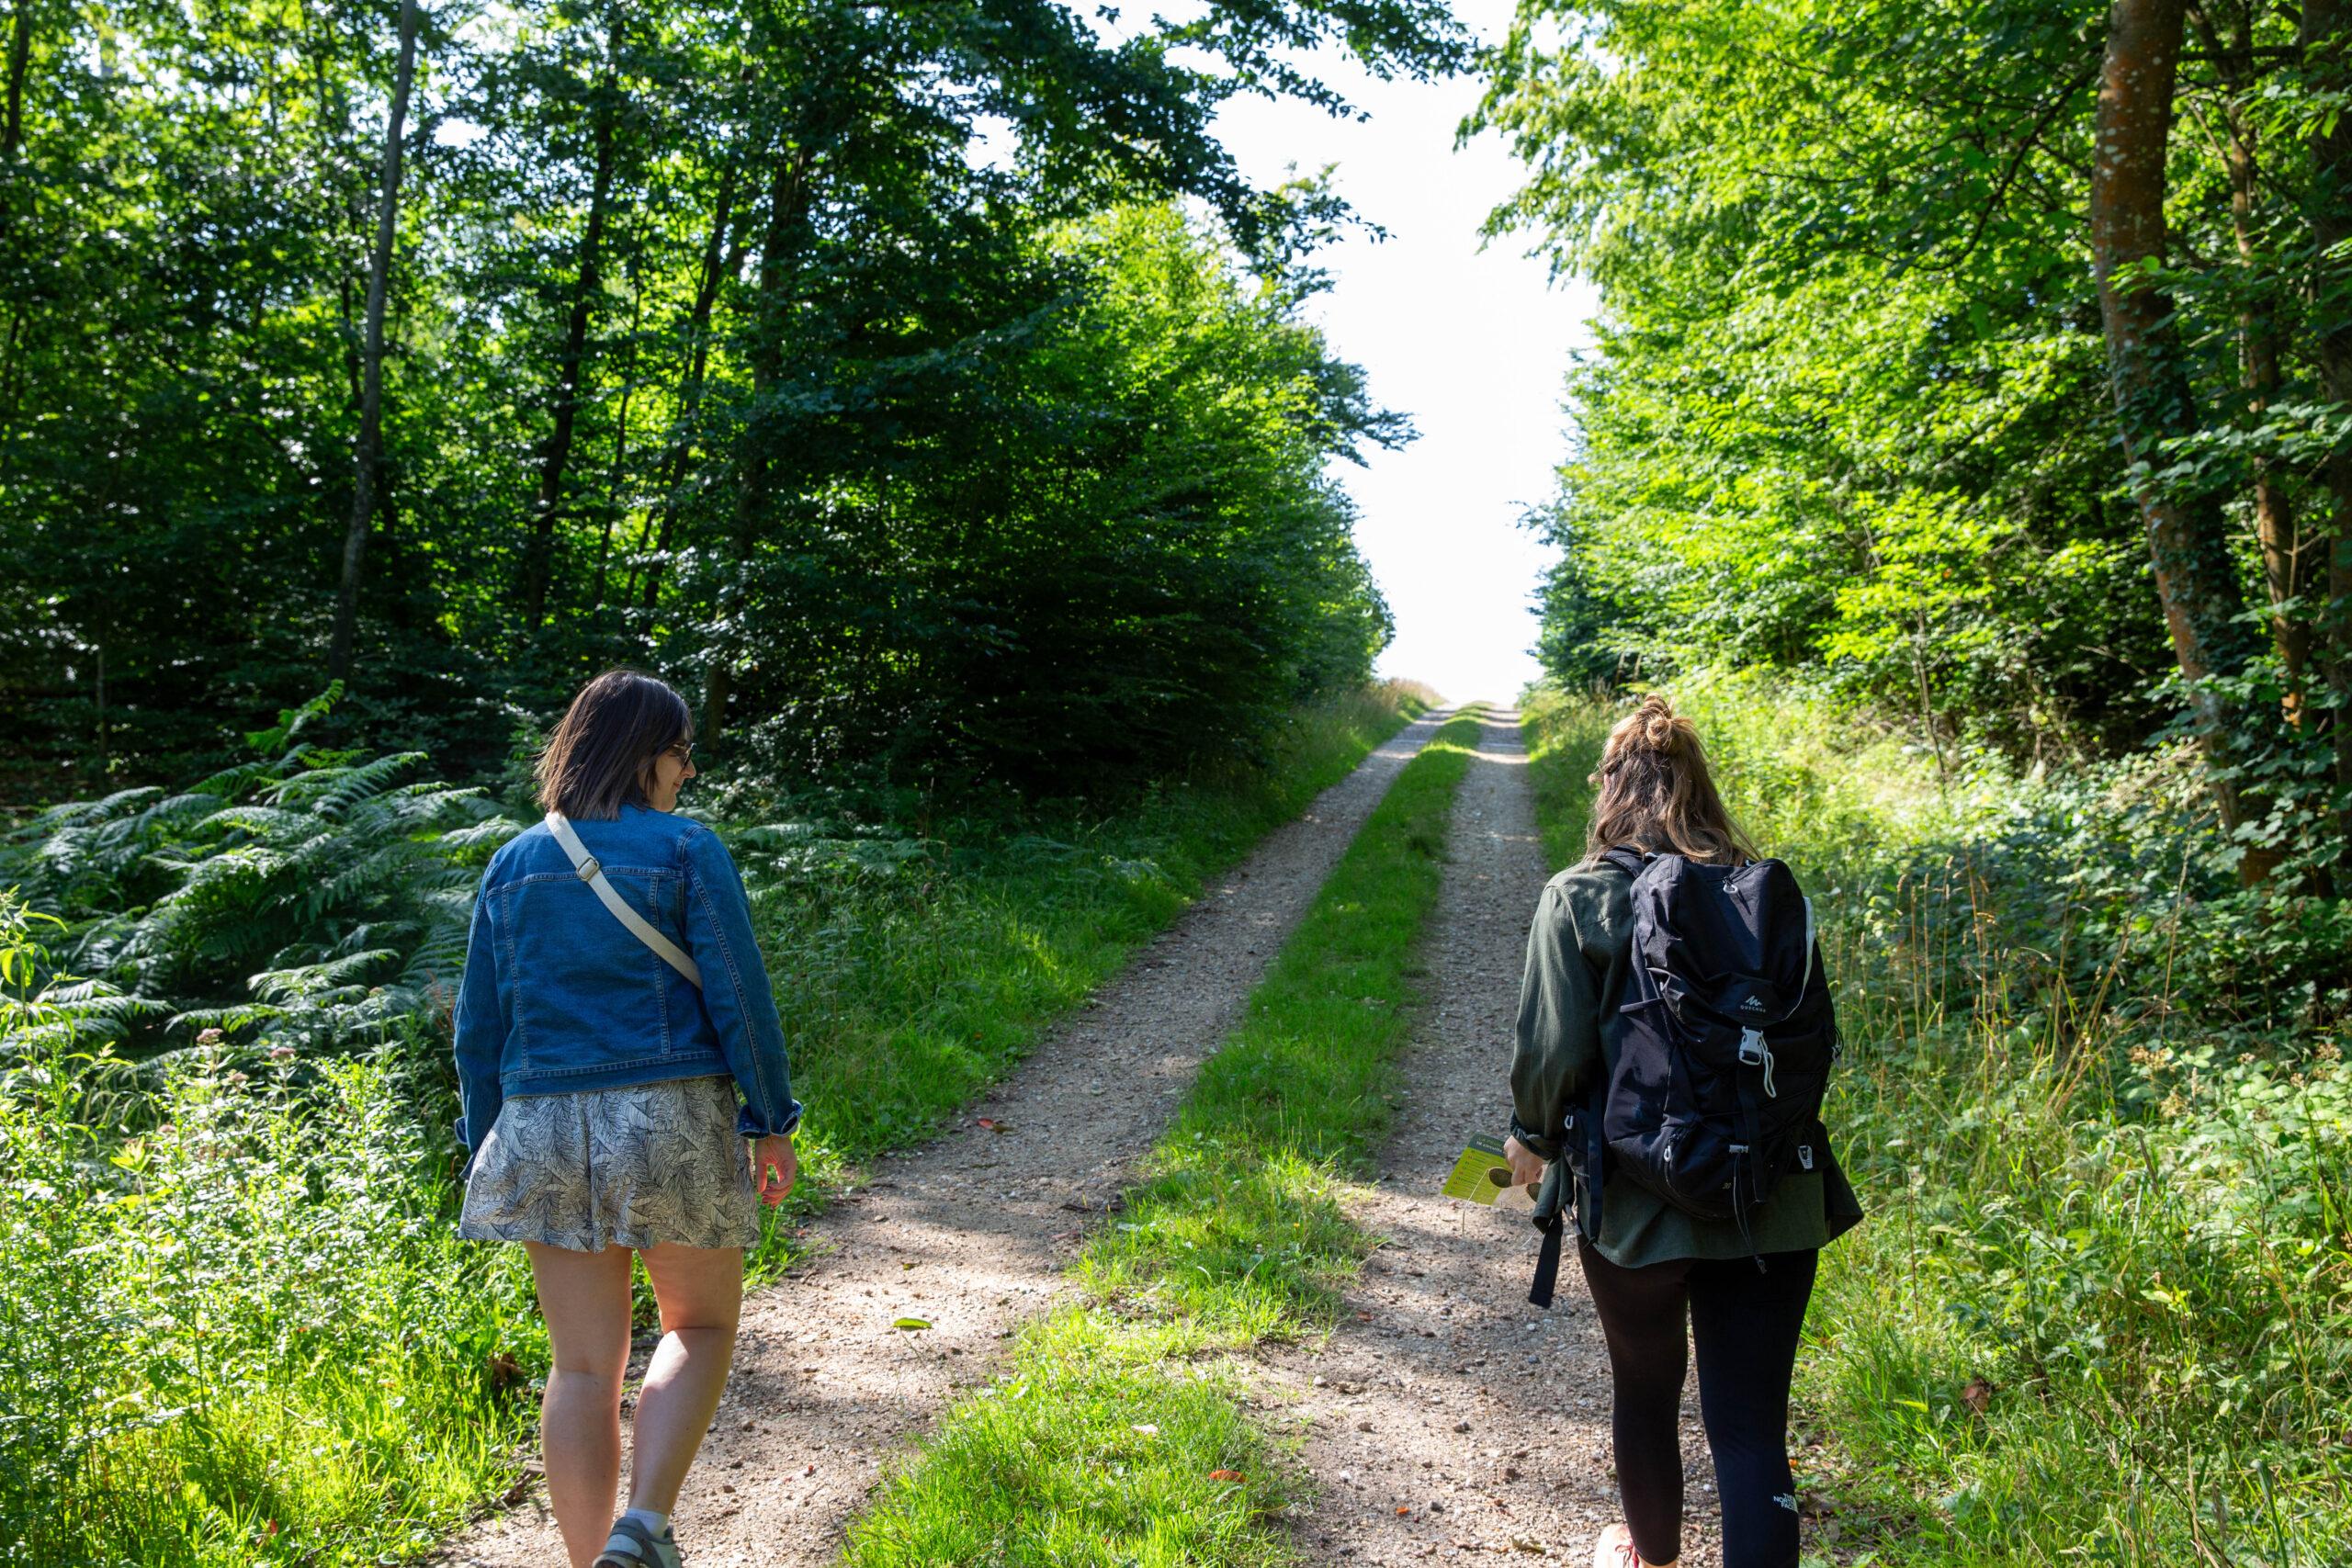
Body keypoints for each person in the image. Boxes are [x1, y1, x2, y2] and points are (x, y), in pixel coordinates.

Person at [452, 669, 803, 1568]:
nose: (687, 774)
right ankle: (642, 1527)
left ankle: (589, 1563)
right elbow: (739, 996)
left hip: (541, 1127)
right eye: (683, 754)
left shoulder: (512, 863)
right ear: (649, 754)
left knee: (579, 1367)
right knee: (699, 1326)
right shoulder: (687, 850)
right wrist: (771, 1118)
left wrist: (486, 1145)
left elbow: (480, 1031)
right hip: (665, 1118)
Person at [1502, 695, 1860, 1568]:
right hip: (1773, 1194)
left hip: (1637, 1206)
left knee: (1648, 1392)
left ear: (1609, 790)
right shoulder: (1768, 894)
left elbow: (1552, 1054)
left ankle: (1650, 1557)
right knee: (1748, 1430)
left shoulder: (1581, 894)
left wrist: (1529, 1141)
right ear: (1702, 789)